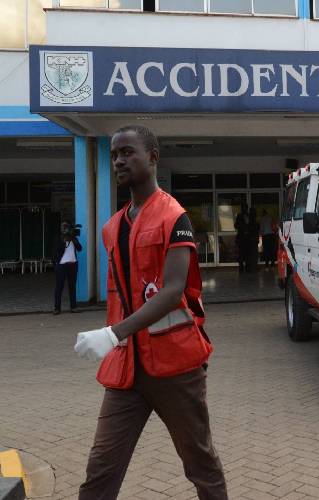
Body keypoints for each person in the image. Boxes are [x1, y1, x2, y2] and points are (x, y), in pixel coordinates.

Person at [73, 125, 227, 500]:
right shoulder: (112, 228)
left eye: (128, 152)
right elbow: (121, 296)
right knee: (100, 470)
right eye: (114, 155)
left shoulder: (175, 217)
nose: (119, 160)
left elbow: (173, 290)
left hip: (175, 368)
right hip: (127, 370)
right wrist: (116, 336)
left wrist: (113, 334)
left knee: (201, 465)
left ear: (153, 158)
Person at [53, 221, 82, 314]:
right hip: (61, 266)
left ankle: (73, 307)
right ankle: (57, 308)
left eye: (66, 227)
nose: (64, 229)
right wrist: (64, 241)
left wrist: (73, 238)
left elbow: (80, 249)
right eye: (63, 227)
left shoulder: (73, 238)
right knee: (59, 287)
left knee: (72, 287)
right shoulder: (59, 238)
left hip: (73, 265)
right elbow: (56, 250)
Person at [234, 204, 249, 273]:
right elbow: (236, 225)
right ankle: (242, 267)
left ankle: (245, 267)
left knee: (245, 253)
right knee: (242, 253)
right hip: (242, 238)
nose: (245, 209)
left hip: (246, 238)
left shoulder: (248, 216)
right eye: (244, 208)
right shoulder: (240, 216)